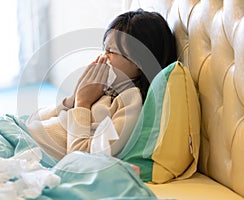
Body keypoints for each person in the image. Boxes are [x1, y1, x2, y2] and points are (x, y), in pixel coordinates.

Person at [25, 8, 177, 160]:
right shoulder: (103, 89)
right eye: (104, 49)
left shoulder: (130, 102)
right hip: (22, 136)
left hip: (30, 152)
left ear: (139, 61)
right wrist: (72, 99)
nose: (103, 57)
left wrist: (82, 103)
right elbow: (31, 121)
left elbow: (81, 158)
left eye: (111, 51)